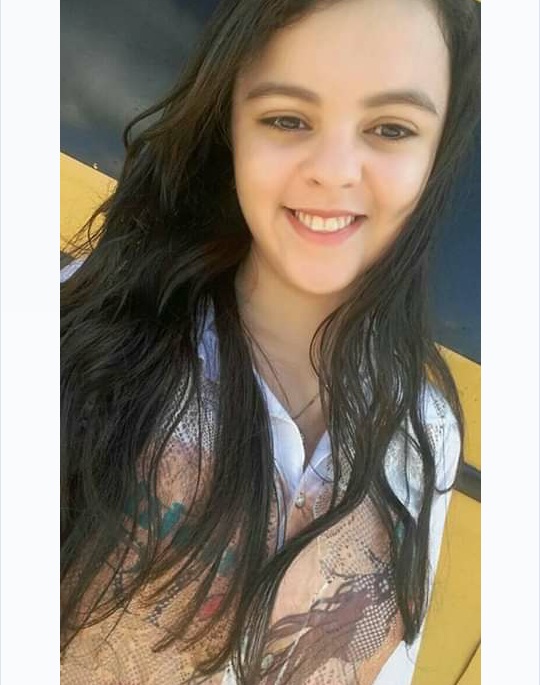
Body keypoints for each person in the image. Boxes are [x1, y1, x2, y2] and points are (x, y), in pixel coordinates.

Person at [60, 0, 480, 683]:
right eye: (287, 118)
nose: (334, 170)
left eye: (391, 128)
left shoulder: (425, 430)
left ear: (436, 153)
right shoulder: (76, 332)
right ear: (231, 125)